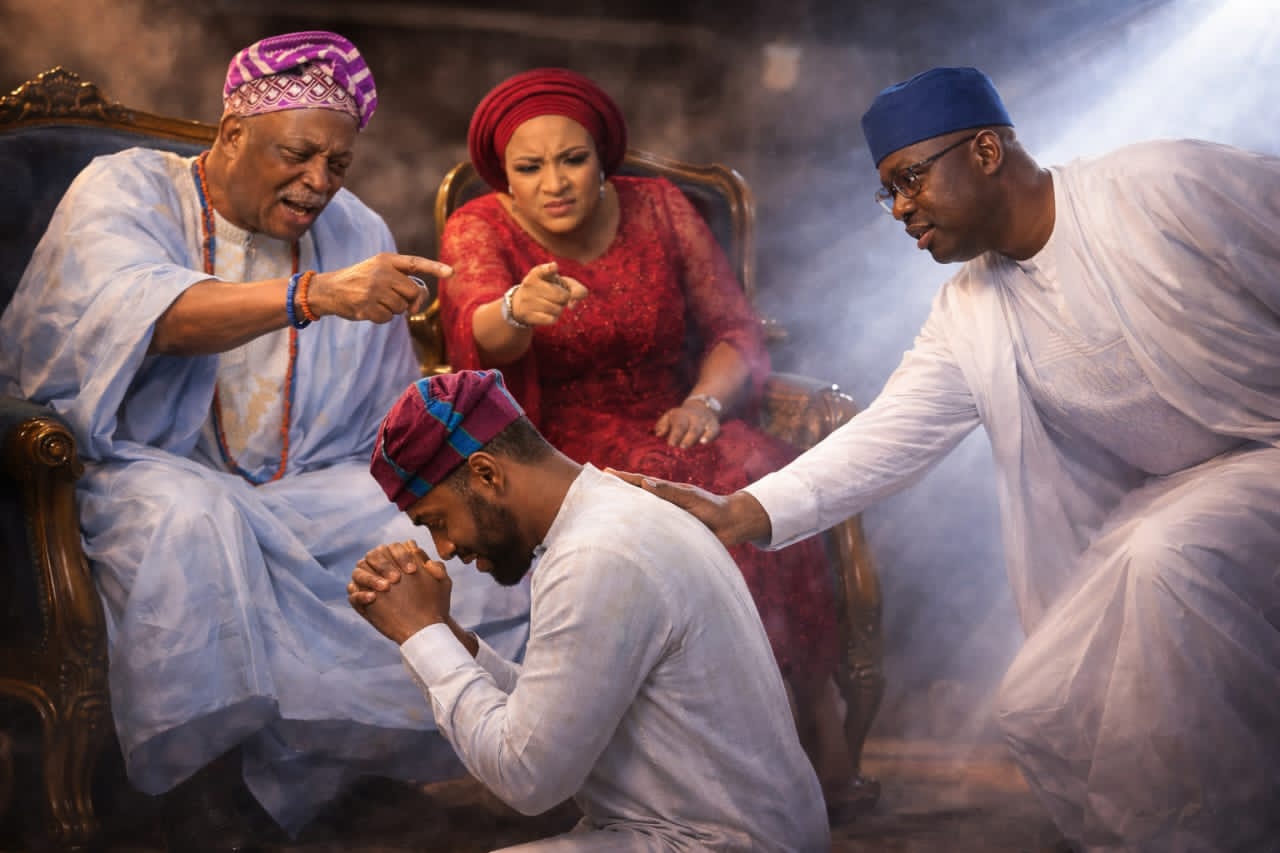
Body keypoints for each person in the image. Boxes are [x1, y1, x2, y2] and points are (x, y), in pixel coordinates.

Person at [612, 66, 1280, 853]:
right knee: (1040, 695)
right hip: (1164, 498)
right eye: (887, 193)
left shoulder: (1157, 186)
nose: (899, 209)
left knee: (1168, 557)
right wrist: (740, 511)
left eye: (909, 180)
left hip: (1263, 458)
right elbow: (886, 436)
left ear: (987, 152)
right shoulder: (969, 309)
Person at [0, 30, 529, 849]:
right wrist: (312, 294)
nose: (319, 181)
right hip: (138, 468)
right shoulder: (127, 187)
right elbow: (148, 314)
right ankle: (200, 802)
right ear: (232, 133)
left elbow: (387, 413)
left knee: (441, 538)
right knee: (194, 520)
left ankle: (340, 781)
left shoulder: (356, 228)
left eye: (337, 163)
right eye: (298, 153)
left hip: (306, 483)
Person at [436, 66, 855, 796]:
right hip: (559, 442)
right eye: (529, 168)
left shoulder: (658, 206)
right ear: (505, 175)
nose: (554, 183)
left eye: (573, 159)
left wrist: (706, 403)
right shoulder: (479, 226)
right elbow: (478, 333)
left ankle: (812, 716)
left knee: (756, 473)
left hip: (678, 412)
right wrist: (515, 309)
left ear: (602, 157)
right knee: (661, 497)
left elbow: (734, 329)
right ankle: (712, 752)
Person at [349, 368, 830, 852]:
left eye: (437, 521)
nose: (445, 548)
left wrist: (421, 633)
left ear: (487, 474)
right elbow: (553, 715)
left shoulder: (596, 554)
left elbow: (527, 777)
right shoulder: (606, 518)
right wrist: (447, 634)